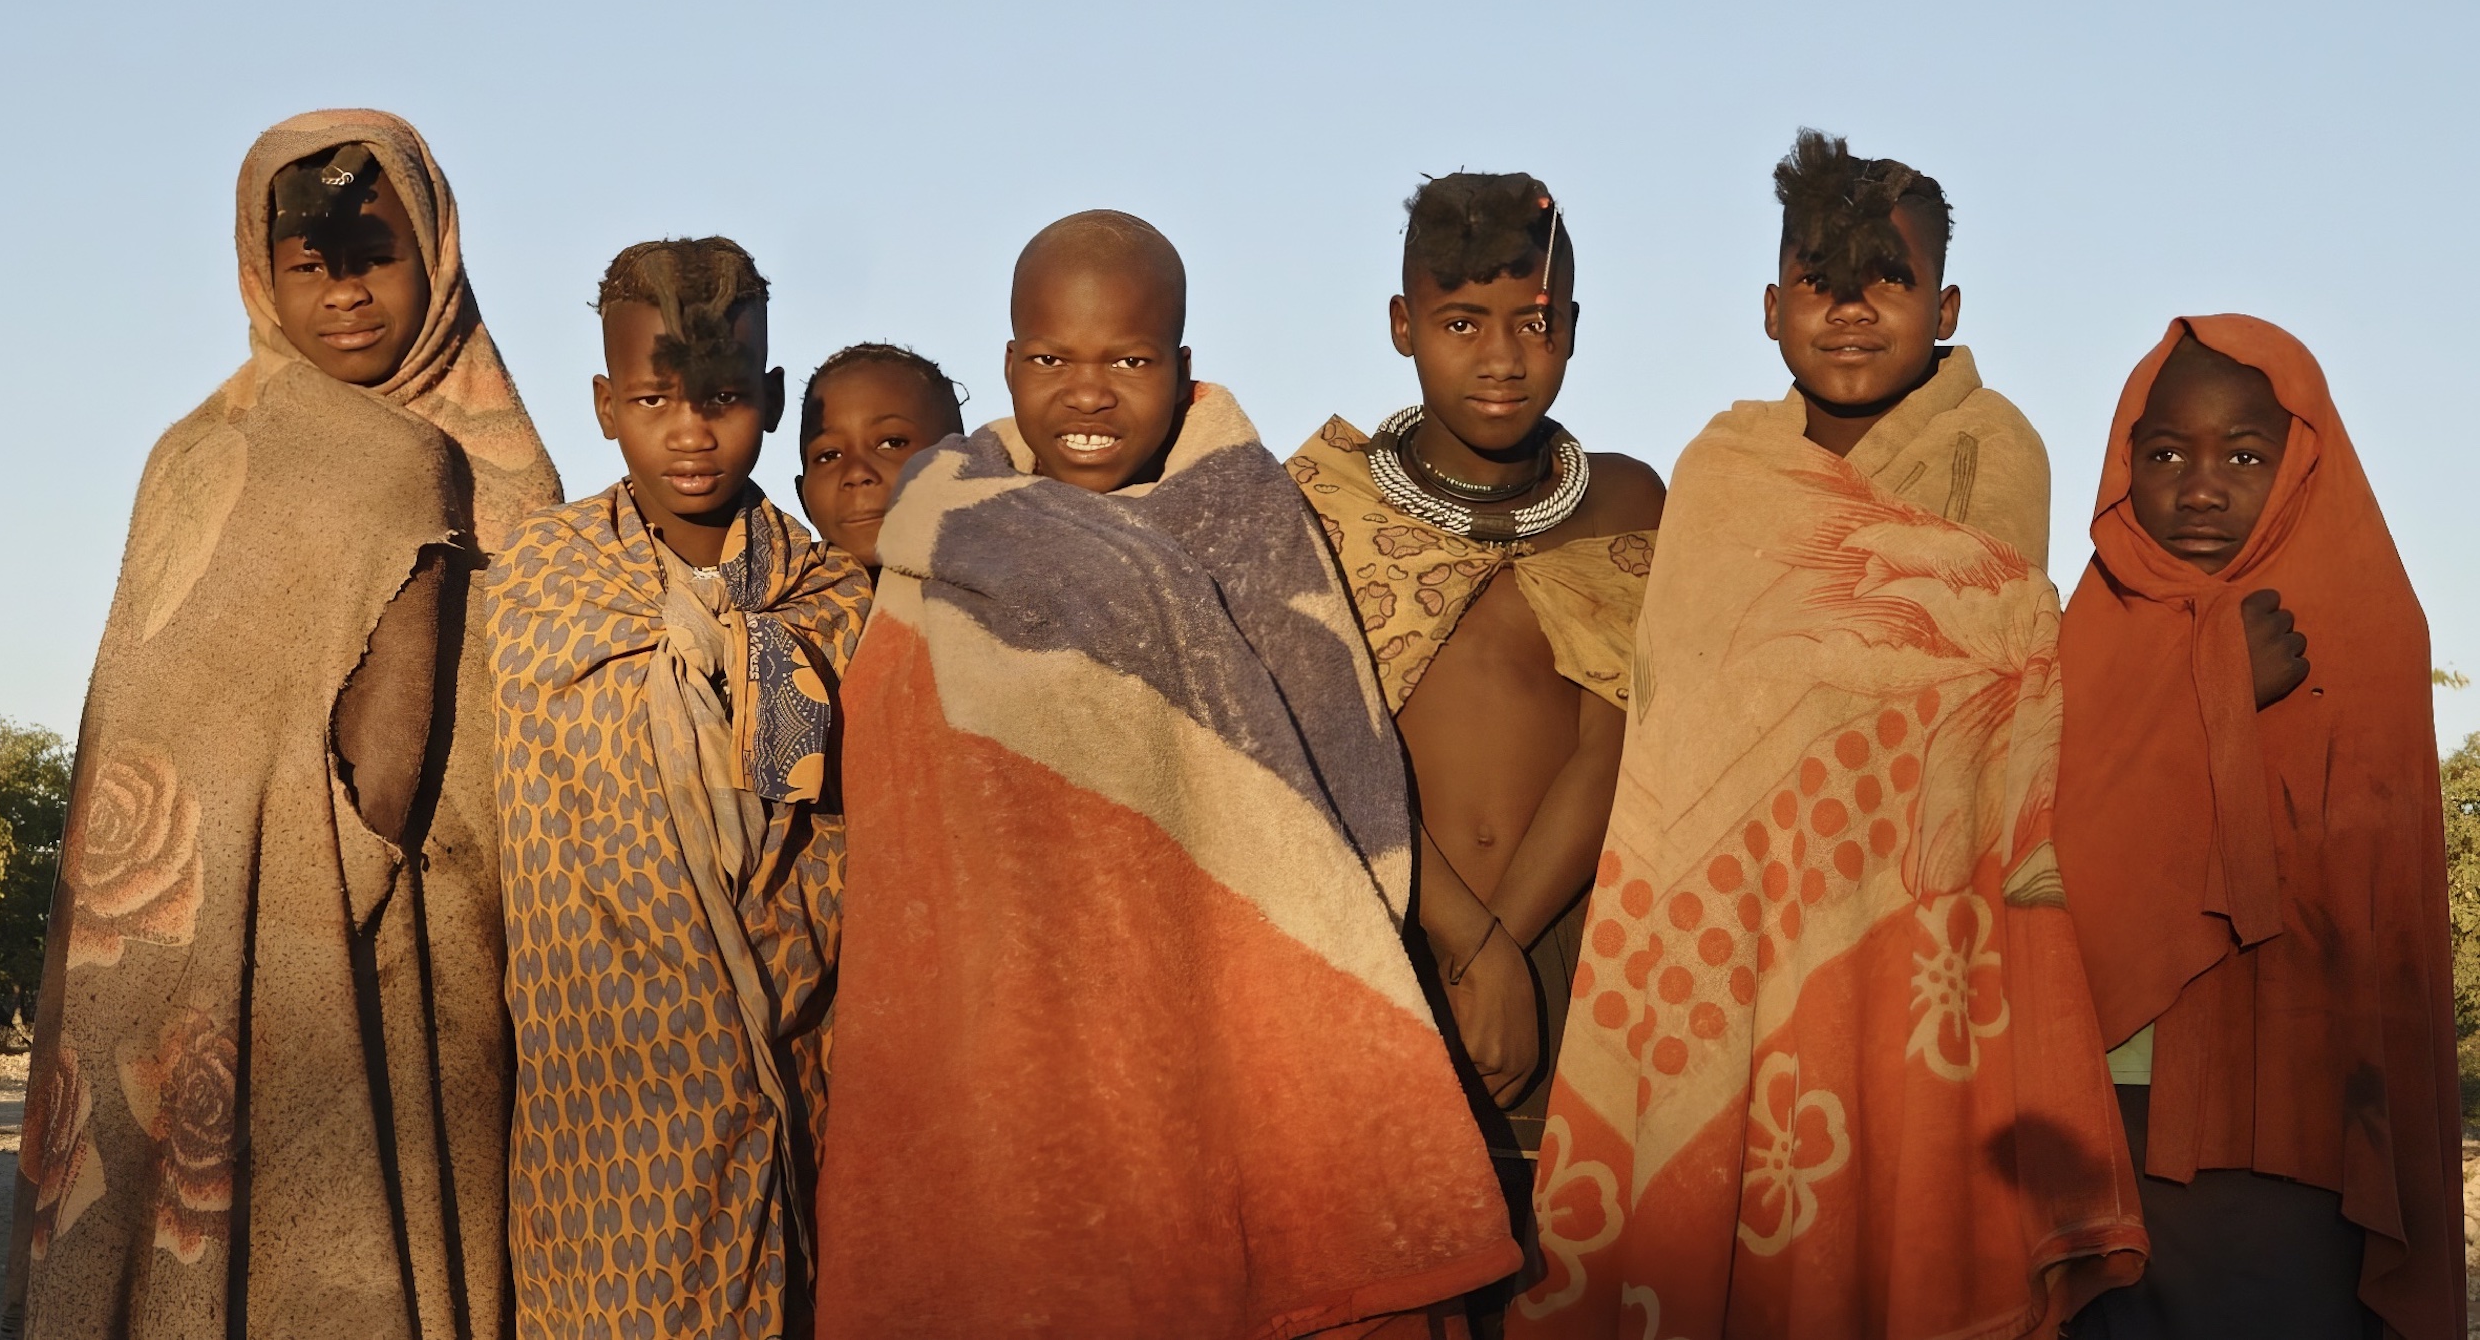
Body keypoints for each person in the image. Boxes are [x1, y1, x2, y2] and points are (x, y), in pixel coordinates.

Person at [814, 210, 1520, 1337]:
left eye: (1128, 361)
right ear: (1009, 364)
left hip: (1220, 1025)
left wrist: (1464, 934)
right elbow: (916, 823)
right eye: (1051, 360)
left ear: (1181, 367)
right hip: (1010, 1043)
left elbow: (1325, 765)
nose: (1087, 395)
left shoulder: (1251, 528)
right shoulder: (941, 544)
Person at [1513, 130, 2144, 1339]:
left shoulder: (1989, 449)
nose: (1850, 309)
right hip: (1727, 922)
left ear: (1947, 302)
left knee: (1882, 1240)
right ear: (1768, 305)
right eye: (1820, 276)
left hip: (1912, 931)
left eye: (1887, 277)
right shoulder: (1721, 471)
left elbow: (1974, 698)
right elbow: (1687, 711)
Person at [8, 110, 560, 1339]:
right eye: (311, 267)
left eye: (377, 257)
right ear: (263, 274)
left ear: (439, 256)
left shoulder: (205, 453)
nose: (347, 296)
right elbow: (375, 772)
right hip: (359, 933)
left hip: (288, 946)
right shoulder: (329, 459)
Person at [1284, 171, 1663, 1325]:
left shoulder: (1630, 502)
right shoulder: (1318, 503)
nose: (1499, 357)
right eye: (1459, 323)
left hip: (1579, 961)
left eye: (1531, 324)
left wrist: (1510, 948)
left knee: (1572, 1282)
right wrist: (1462, 939)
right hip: (1393, 949)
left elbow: (1617, 734)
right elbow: (1324, 737)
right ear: (1402, 326)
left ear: (1572, 331)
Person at [483, 237, 866, 1339]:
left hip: (789, 1068)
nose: (691, 432)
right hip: (601, 1093)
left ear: (773, 399)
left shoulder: (826, 593)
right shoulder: (545, 579)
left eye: (726, 397)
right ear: (605, 403)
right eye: (654, 398)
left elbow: (798, 820)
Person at [2058, 317, 2464, 1338]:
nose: (2200, 486)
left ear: (2298, 464)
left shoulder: (2364, 619)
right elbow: (2060, 845)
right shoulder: (2096, 619)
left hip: (2304, 1107)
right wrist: (2213, 689)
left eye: (2243, 454)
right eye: (2163, 454)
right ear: (2122, 464)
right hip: (2112, 1091)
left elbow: (2376, 902)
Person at [795, 342, 966, 571]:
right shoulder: (778, 602)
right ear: (802, 496)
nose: (857, 473)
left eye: (892, 443)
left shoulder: (1020, 590)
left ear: (965, 468)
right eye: (829, 455)